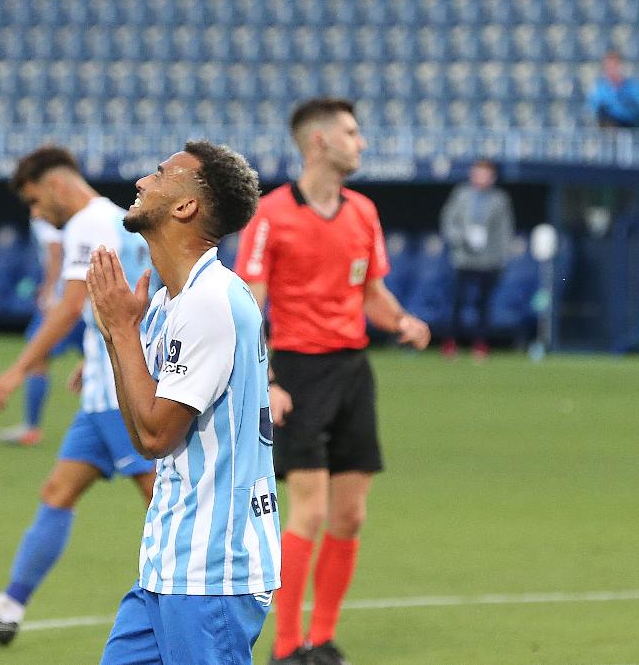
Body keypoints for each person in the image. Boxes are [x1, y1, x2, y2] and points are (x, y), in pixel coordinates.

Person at [234, 98, 431, 665]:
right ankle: (286, 645)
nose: (360, 141)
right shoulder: (271, 214)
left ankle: (322, 639)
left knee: (350, 516)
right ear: (319, 141)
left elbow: (371, 292)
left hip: (352, 371)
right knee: (309, 512)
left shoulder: (363, 212)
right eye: (351, 132)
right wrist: (266, 379)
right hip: (297, 372)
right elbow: (251, 305)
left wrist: (402, 321)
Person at [0, 145, 156, 644]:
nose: (37, 213)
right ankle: (7, 608)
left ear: (58, 185)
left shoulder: (86, 224)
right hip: (104, 385)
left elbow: (70, 306)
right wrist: (94, 353)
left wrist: (20, 368)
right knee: (58, 493)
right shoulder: (114, 218)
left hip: (119, 398)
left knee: (162, 500)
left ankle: (199, 593)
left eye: (36, 201)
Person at [89, 140, 280, 665]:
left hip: (212, 570)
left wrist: (122, 331)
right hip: (169, 562)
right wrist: (117, 333)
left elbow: (155, 435)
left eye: (159, 174)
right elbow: (143, 429)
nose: (141, 183)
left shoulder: (210, 303)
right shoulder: (170, 304)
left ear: (184, 206)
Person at [0, 217, 85, 447]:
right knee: (104, 360)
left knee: (38, 358)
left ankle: (31, 427)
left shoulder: (46, 214)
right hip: (86, 297)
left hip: (65, 299)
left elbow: (55, 250)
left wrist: (50, 290)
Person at [439, 159, 515, 360]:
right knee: (457, 301)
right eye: (478, 172)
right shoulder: (461, 195)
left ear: (493, 177)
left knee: (484, 303)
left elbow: (505, 231)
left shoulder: (500, 199)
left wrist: (502, 257)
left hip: (488, 260)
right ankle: (450, 343)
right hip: (463, 258)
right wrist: (463, 239)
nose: (481, 177)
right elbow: (448, 222)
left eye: (485, 174)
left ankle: (480, 345)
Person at [587, 49, 639, 130]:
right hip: (612, 127)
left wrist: (631, 106)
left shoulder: (634, 86)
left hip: (634, 125)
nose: (612, 71)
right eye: (609, 68)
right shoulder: (600, 89)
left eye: (615, 67)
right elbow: (593, 107)